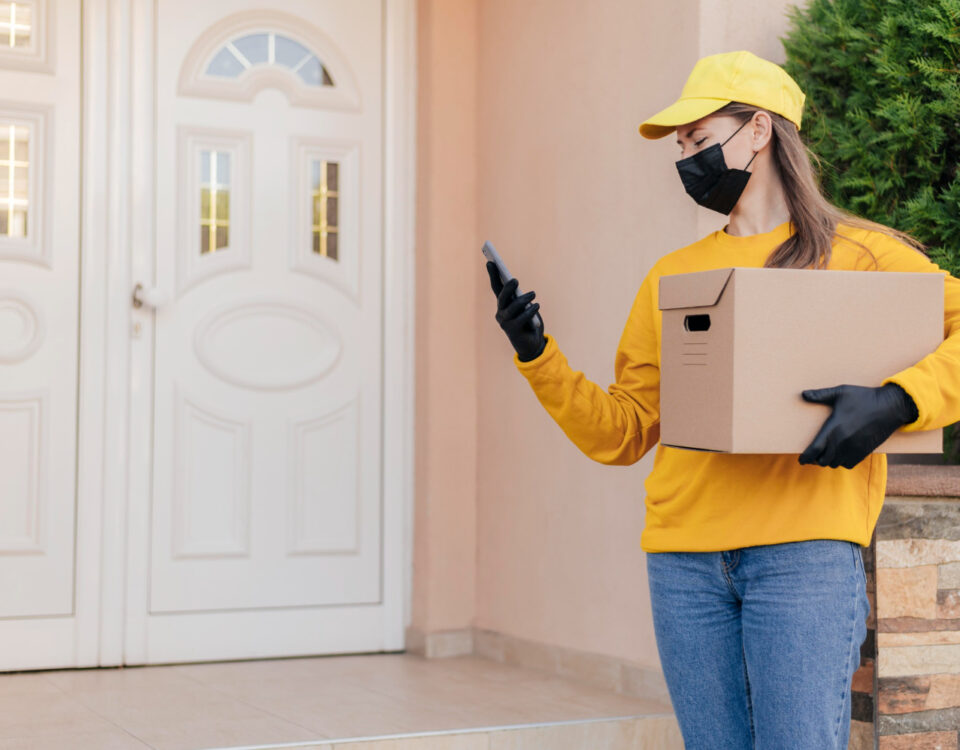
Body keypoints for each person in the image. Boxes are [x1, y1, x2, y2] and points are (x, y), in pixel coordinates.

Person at [484, 50, 960, 749]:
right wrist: (537, 355)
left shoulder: (862, 254)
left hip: (803, 557)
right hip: (684, 565)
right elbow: (624, 431)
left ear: (760, 131)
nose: (685, 159)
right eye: (680, 147)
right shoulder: (673, 276)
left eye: (698, 140)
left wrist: (898, 400)